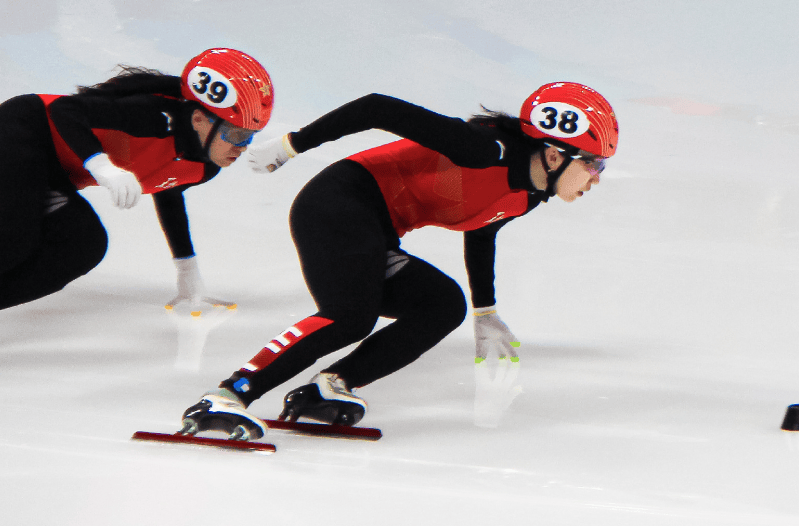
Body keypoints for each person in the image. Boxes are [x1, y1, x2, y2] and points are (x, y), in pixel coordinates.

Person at [181, 82, 618, 440]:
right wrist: (294, 144)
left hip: (377, 227)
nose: (597, 178)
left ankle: (330, 385)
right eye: (594, 164)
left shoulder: (530, 193)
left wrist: (486, 312)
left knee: (443, 305)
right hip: (339, 201)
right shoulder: (483, 148)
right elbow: (377, 107)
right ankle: (230, 393)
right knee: (350, 316)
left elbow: (483, 229)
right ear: (556, 154)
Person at [0, 48, 274, 312]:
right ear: (199, 119)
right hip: (23, 129)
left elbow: (169, 191)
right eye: (236, 135)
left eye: (250, 136)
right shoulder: (151, 116)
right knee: (14, 241)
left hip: (55, 174)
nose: (243, 147)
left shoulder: (206, 165)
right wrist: (101, 165)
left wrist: (187, 270)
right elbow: (64, 110)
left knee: (83, 246)